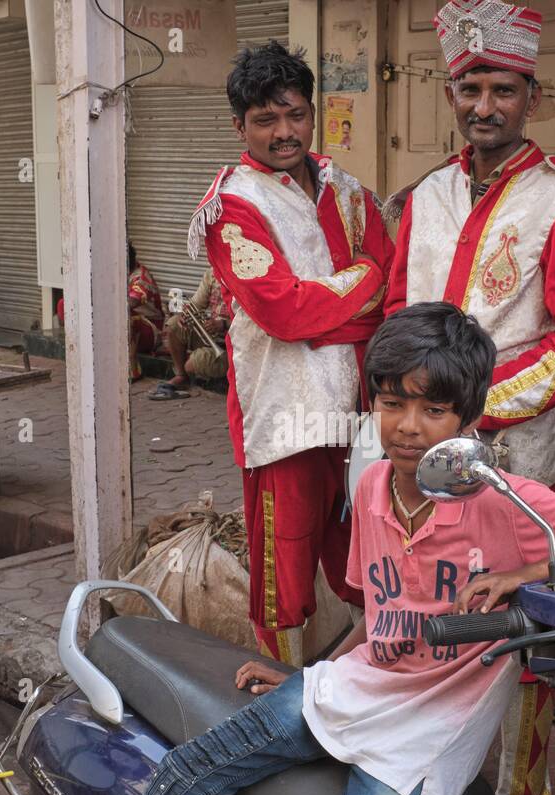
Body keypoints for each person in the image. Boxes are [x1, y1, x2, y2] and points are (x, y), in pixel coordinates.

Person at [112, 302, 555, 795]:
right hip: (352, 689)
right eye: (392, 402)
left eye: (434, 410)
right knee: (181, 778)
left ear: (469, 421)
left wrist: (523, 574)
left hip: (428, 737)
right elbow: (377, 618)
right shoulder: (374, 484)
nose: (408, 425)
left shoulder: (503, 499)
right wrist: (309, 675)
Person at [384, 0, 555, 795]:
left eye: (503, 89)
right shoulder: (427, 195)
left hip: (512, 449)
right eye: (470, 87)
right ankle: (422, 773)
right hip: (416, 439)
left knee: (521, 615)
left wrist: (473, 405)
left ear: (533, 93)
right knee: (420, 598)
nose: (484, 104)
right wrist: (401, 411)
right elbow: (391, 312)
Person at [189, 40, 392, 664]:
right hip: (286, 419)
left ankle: (368, 686)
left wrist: (322, 317)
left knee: (372, 556)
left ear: (313, 112)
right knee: (284, 572)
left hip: (362, 415)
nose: (285, 132)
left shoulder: (348, 190)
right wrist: (358, 296)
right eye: (265, 120)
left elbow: (390, 276)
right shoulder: (233, 207)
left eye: (295, 114)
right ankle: (278, 700)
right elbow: (282, 309)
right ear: (238, 126)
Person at [151, 266, 229, 400]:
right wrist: (186, 316)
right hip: (213, 337)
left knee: (191, 365)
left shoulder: (246, 277)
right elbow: (197, 304)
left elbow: (252, 319)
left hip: (232, 346)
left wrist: (224, 324)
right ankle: (181, 376)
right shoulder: (212, 273)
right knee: (174, 325)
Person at [127, 241, 163, 381]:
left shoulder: (140, 276)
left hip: (151, 329)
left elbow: (130, 304)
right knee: (64, 305)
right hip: (132, 323)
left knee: (125, 319)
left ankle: (133, 370)